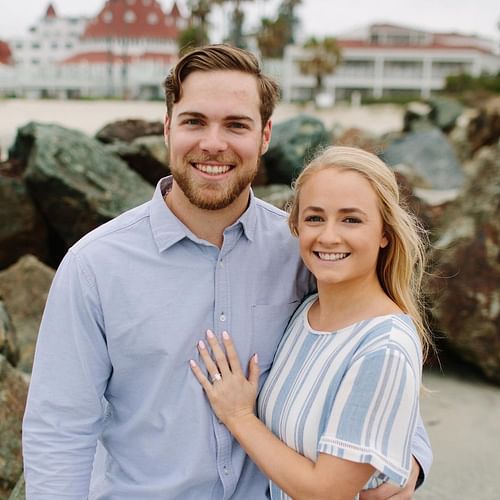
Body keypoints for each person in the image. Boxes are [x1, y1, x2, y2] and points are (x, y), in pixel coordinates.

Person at [22, 45, 431, 499]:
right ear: (167, 129)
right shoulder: (94, 267)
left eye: (236, 125)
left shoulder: (304, 250)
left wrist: (409, 457)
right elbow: (59, 429)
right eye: (194, 121)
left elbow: (372, 350)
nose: (213, 143)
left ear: (265, 136)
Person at [191, 145, 433, 500]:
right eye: (315, 218)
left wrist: (239, 416)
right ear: (296, 226)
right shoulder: (306, 312)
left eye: (351, 219)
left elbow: (327, 492)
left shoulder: (384, 348)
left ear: (385, 232)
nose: (329, 236)